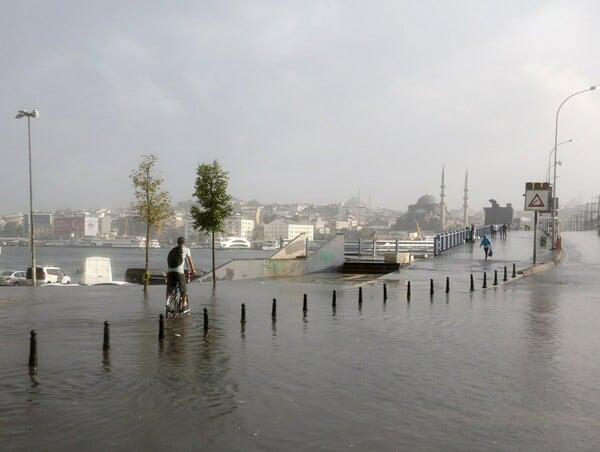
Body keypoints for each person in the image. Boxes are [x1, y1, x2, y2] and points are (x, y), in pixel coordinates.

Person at [166, 236, 197, 311]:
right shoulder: (186, 250)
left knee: (169, 289)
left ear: (177, 242)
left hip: (170, 272)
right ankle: (184, 306)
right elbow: (190, 262)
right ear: (184, 243)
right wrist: (193, 271)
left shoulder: (173, 250)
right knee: (183, 290)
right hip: (179, 273)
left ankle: (167, 302)